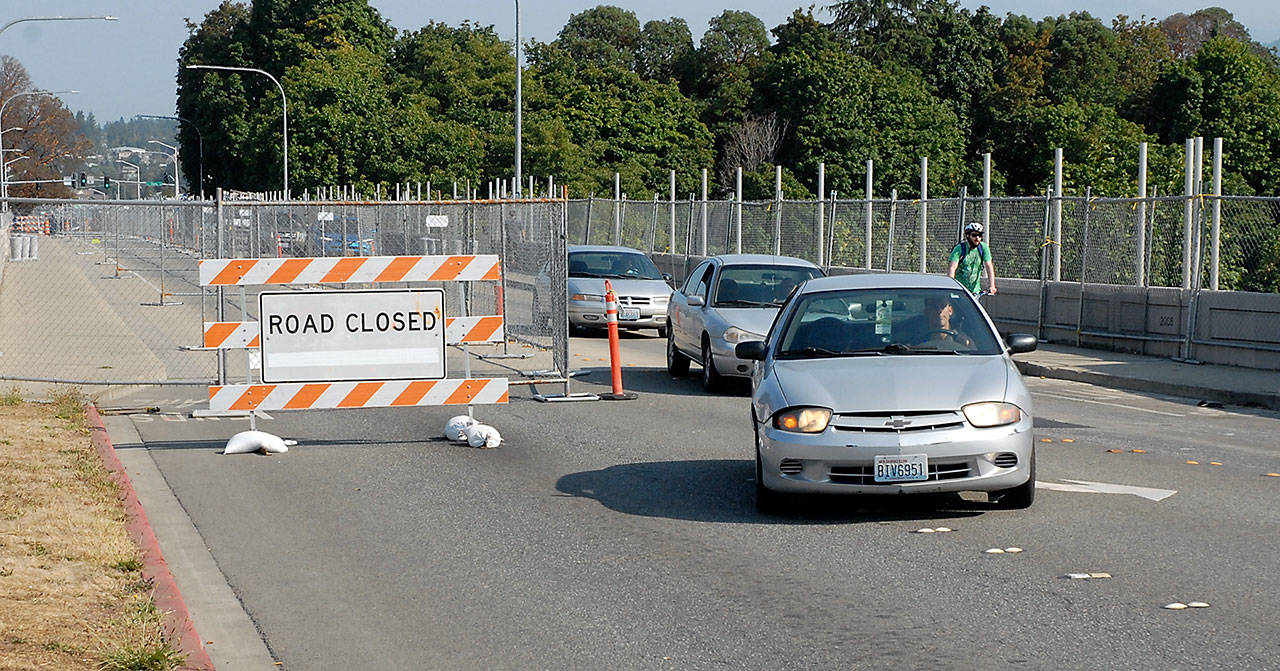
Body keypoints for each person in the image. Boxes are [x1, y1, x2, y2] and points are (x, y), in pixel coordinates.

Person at [948, 222, 997, 296]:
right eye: (974, 235)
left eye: (979, 235)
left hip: (975, 292)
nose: (977, 238)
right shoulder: (959, 248)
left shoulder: (983, 248)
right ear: (968, 236)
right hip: (960, 290)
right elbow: (952, 268)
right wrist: (951, 287)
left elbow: (989, 267)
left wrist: (992, 286)